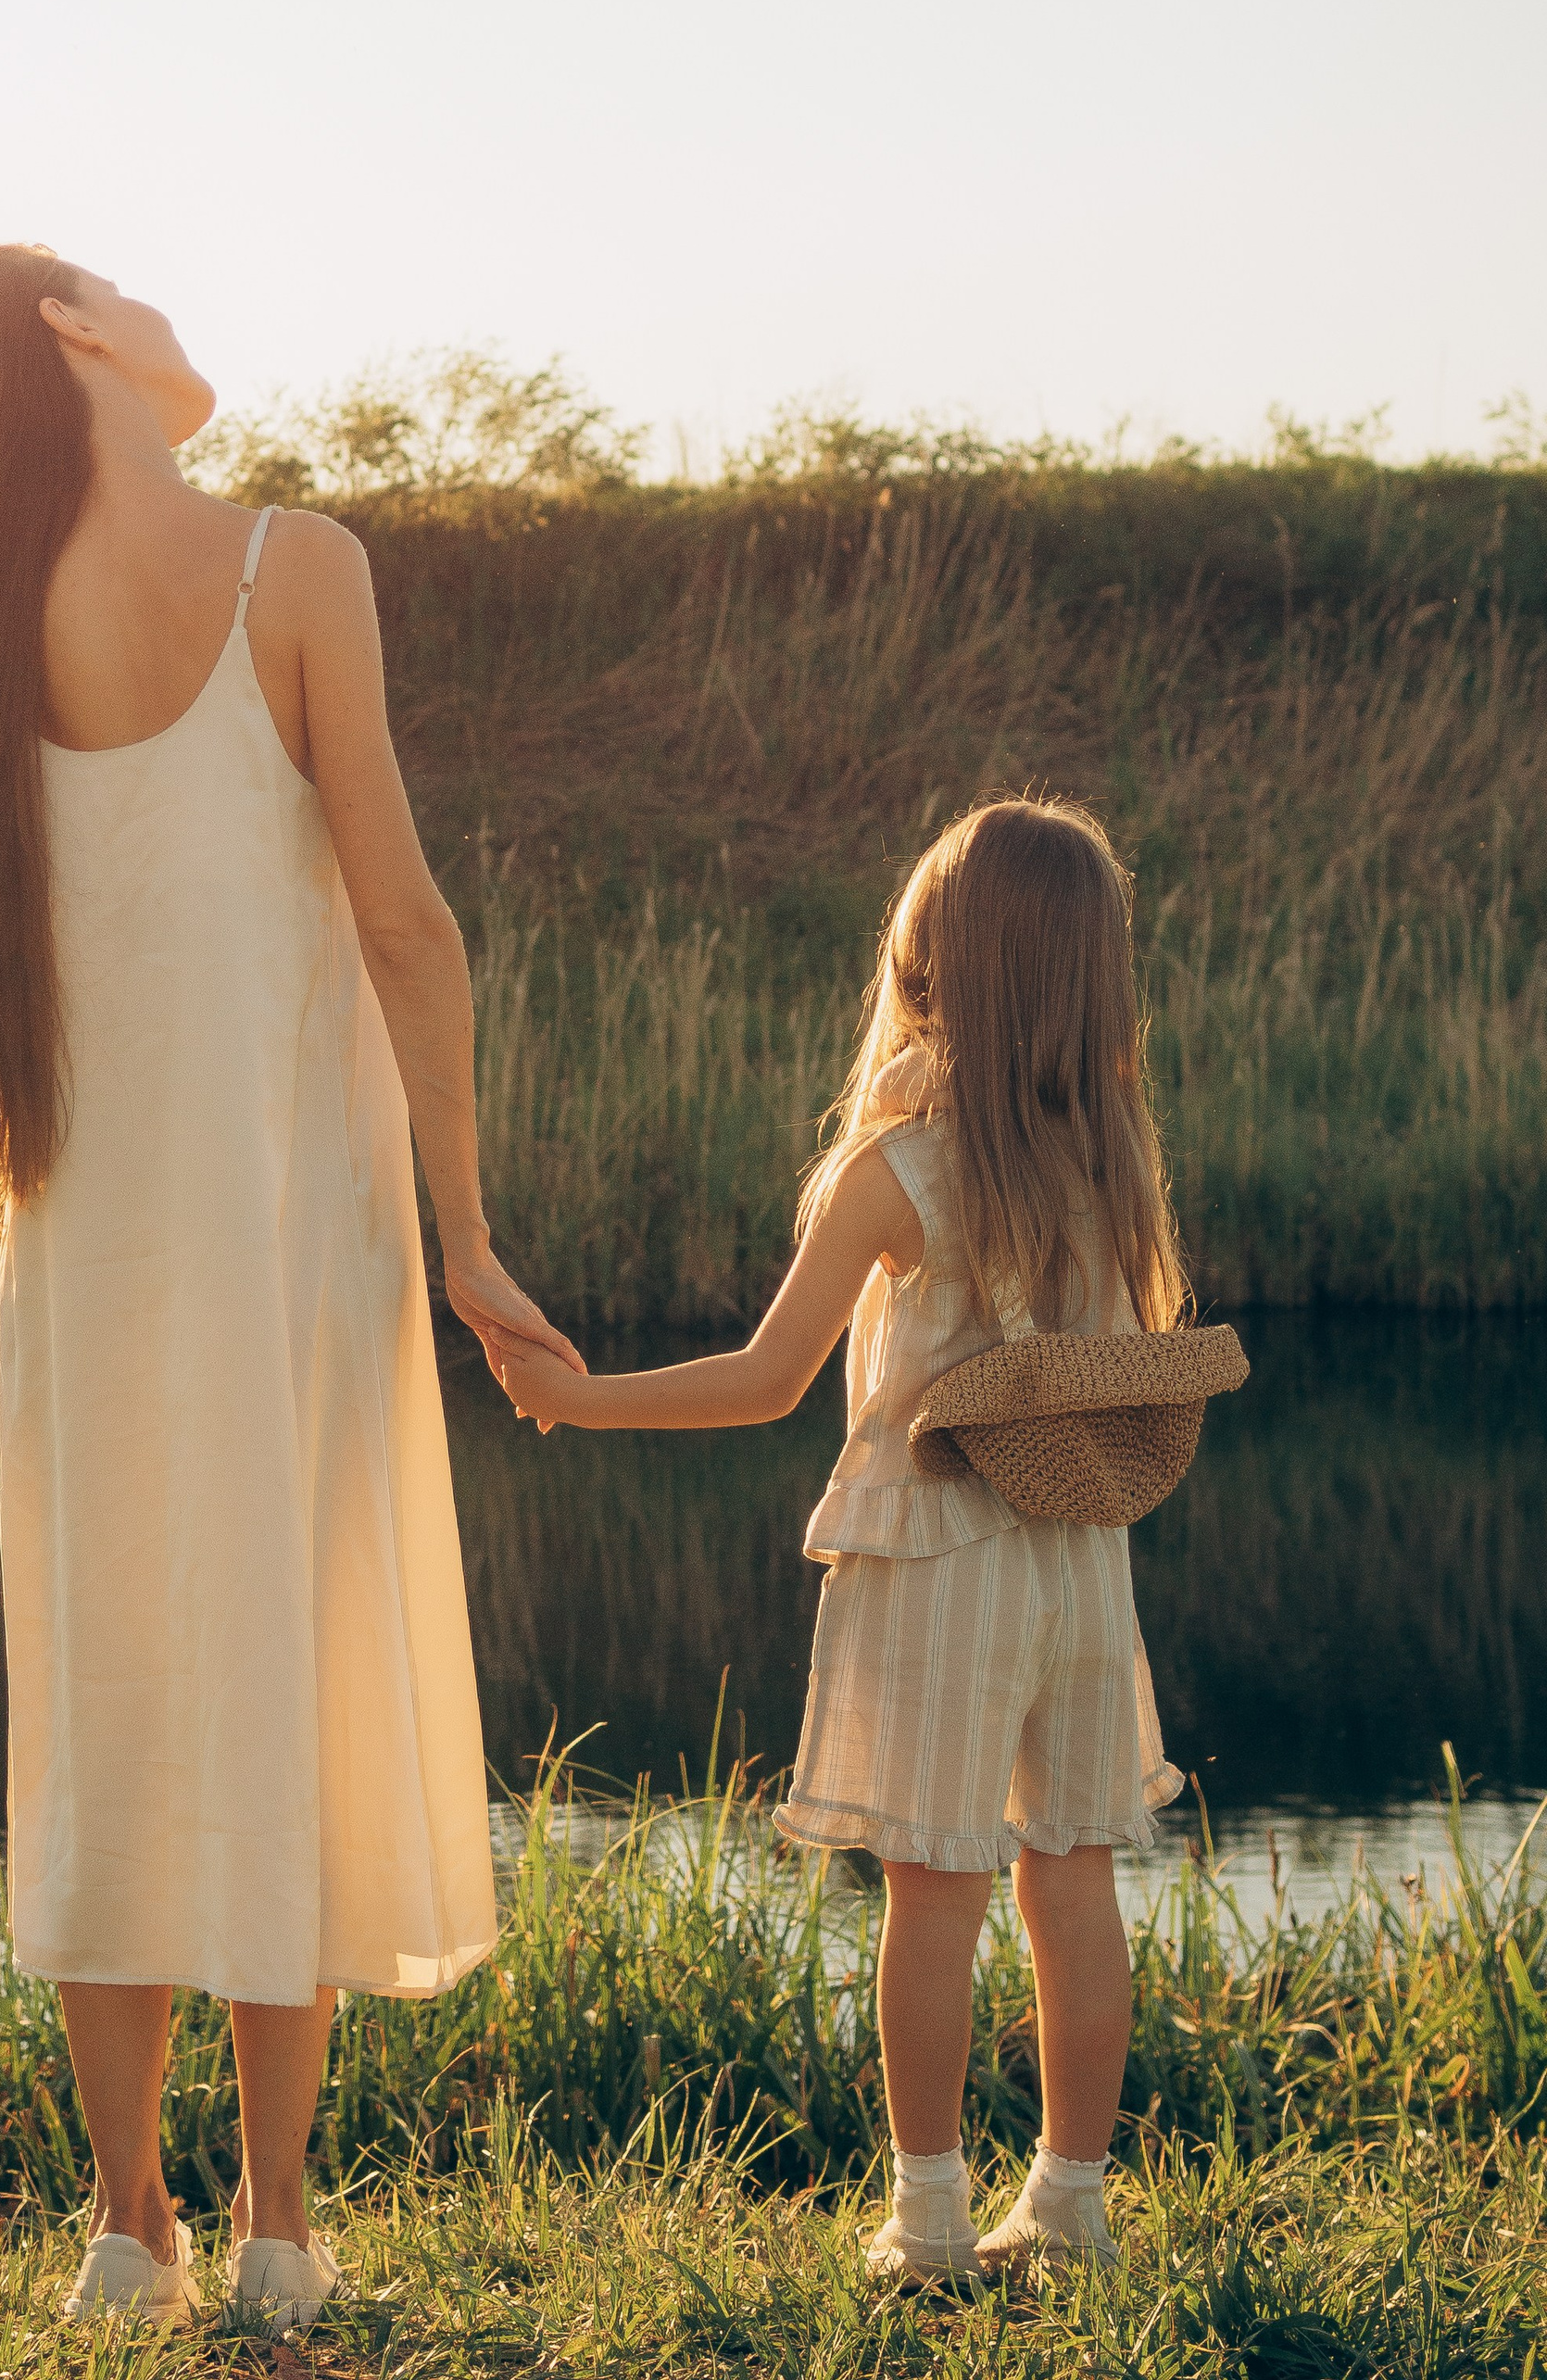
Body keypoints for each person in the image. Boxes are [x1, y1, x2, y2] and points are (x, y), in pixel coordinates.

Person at [0, 245, 578, 2335]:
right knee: (282, 1681)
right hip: (288, 1243)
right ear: (73, 330)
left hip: (87, 1257)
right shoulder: (292, 567)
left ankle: (122, 2227)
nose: (173, 319)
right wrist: (464, 1229)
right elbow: (406, 924)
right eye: (129, 291)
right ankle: (271, 2228)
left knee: (115, 1699)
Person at [496, 797, 1185, 2283]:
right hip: (1078, 1560)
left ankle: (927, 2210)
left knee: (933, 1890)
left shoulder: (902, 1168)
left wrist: (578, 1396)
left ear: (933, 968)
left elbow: (764, 1379)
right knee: (1072, 1877)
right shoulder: (1111, 1156)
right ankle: (1072, 2197)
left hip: (940, 1557)